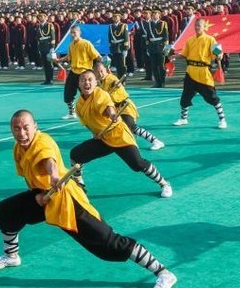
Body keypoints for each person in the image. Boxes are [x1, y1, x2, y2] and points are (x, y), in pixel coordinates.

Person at [0, 109, 177, 288]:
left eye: (26, 127)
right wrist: (38, 197)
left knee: (109, 244)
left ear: (35, 126)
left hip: (66, 200)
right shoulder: (18, 147)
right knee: (6, 212)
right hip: (43, 195)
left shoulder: (43, 142)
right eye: (16, 128)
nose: (22, 133)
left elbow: (48, 159)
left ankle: (163, 273)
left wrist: (53, 175)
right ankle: (11, 256)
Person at [69, 70, 174, 198]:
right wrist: (94, 133)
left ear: (96, 82)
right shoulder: (79, 104)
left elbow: (108, 107)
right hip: (103, 139)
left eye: (90, 79)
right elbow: (87, 122)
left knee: (137, 164)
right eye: (83, 80)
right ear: (79, 83)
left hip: (118, 135)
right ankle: (80, 187)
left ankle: (164, 184)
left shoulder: (100, 94)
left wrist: (113, 114)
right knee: (75, 155)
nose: (87, 83)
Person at [94, 60, 164, 150]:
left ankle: (156, 141)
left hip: (125, 106)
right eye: (97, 72)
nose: (100, 74)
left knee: (131, 126)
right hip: (116, 109)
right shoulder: (101, 84)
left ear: (105, 70)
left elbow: (115, 82)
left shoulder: (110, 78)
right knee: (119, 128)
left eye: (101, 71)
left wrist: (115, 84)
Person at [172, 18, 227, 128]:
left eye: (199, 26)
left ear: (204, 27)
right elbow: (184, 54)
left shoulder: (210, 39)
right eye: (195, 26)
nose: (197, 28)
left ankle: (222, 120)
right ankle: (183, 119)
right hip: (190, 71)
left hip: (203, 72)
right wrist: (174, 56)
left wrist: (219, 55)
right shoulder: (190, 40)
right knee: (185, 97)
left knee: (212, 97)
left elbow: (218, 53)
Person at [59, 24, 102, 119]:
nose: (73, 34)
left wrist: (99, 68)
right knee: (68, 94)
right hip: (73, 71)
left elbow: (97, 56)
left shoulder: (86, 43)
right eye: (71, 33)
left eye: (75, 32)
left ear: (79, 33)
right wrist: (59, 60)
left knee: (88, 95)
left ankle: (95, 112)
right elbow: (69, 57)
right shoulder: (71, 45)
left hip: (84, 72)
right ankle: (71, 113)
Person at [145, 9, 169, 87]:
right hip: (152, 47)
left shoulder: (163, 23)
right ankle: (157, 82)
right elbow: (148, 37)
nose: (155, 15)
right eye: (153, 14)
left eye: (156, 14)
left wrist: (165, 48)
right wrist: (148, 47)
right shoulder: (149, 24)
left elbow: (165, 36)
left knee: (161, 66)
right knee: (154, 66)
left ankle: (162, 82)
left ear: (159, 15)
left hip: (160, 46)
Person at [36, 12, 58, 85]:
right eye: (40, 17)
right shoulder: (39, 26)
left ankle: (50, 79)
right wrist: (39, 48)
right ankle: (47, 79)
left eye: (42, 17)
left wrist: (52, 48)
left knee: (49, 64)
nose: (41, 18)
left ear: (46, 18)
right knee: (45, 64)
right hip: (42, 47)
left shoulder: (49, 25)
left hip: (48, 47)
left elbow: (53, 37)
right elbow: (38, 38)